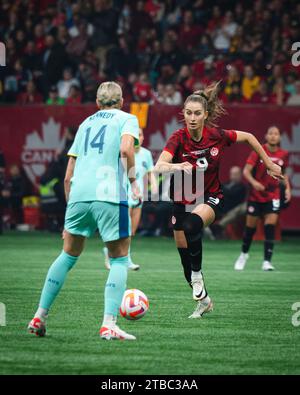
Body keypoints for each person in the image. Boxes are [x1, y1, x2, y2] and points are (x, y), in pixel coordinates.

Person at [154, 82, 283, 319]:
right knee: (184, 260)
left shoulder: (217, 136)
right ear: (183, 114)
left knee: (192, 224)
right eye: (188, 113)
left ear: (205, 115)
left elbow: (251, 137)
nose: (192, 118)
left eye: (197, 113)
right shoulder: (178, 138)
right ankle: (204, 301)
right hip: (181, 200)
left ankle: (197, 275)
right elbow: (158, 166)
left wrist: (267, 162)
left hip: (210, 197)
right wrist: (175, 165)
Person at [28, 81, 141, 340]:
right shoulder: (127, 118)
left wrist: (70, 215)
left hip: (79, 195)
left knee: (68, 255)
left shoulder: (85, 123)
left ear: (98, 103)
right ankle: (109, 324)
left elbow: (68, 176)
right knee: (120, 258)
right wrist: (134, 181)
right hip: (110, 194)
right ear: (122, 101)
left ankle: (39, 316)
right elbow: (126, 148)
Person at [234, 126, 291, 271]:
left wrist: (288, 189)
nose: (273, 136)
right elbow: (246, 172)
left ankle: (267, 261)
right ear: (266, 136)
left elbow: (283, 174)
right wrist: (254, 183)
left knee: (270, 226)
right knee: (250, 228)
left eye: (276, 134)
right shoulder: (258, 151)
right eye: (270, 133)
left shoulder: (284, 154)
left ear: (279, 137)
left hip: (273, 194)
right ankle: (244, 254)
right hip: (256, 195)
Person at [103, 128, 157, 270]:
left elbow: (150, 172)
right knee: (123, 229)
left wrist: (155, 187)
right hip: (124, 195)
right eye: (136, 135)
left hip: (138, 197)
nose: (139, 137)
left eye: (141, 135)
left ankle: (123, 257)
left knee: (131, 231)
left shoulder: (147, 154)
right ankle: (114, 255)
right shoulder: (124, 153)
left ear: (143, 137)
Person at [210, 166, 247, 238]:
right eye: (233, 174)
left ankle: (219, 226)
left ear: (240, 175)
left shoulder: (242, 187)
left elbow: (233, 196)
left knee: (240, 208)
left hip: (233, 209)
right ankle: (210, 231)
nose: (234, 176)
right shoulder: (225, 184)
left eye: (236, 174)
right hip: (221, 208)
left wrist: (223, 192)